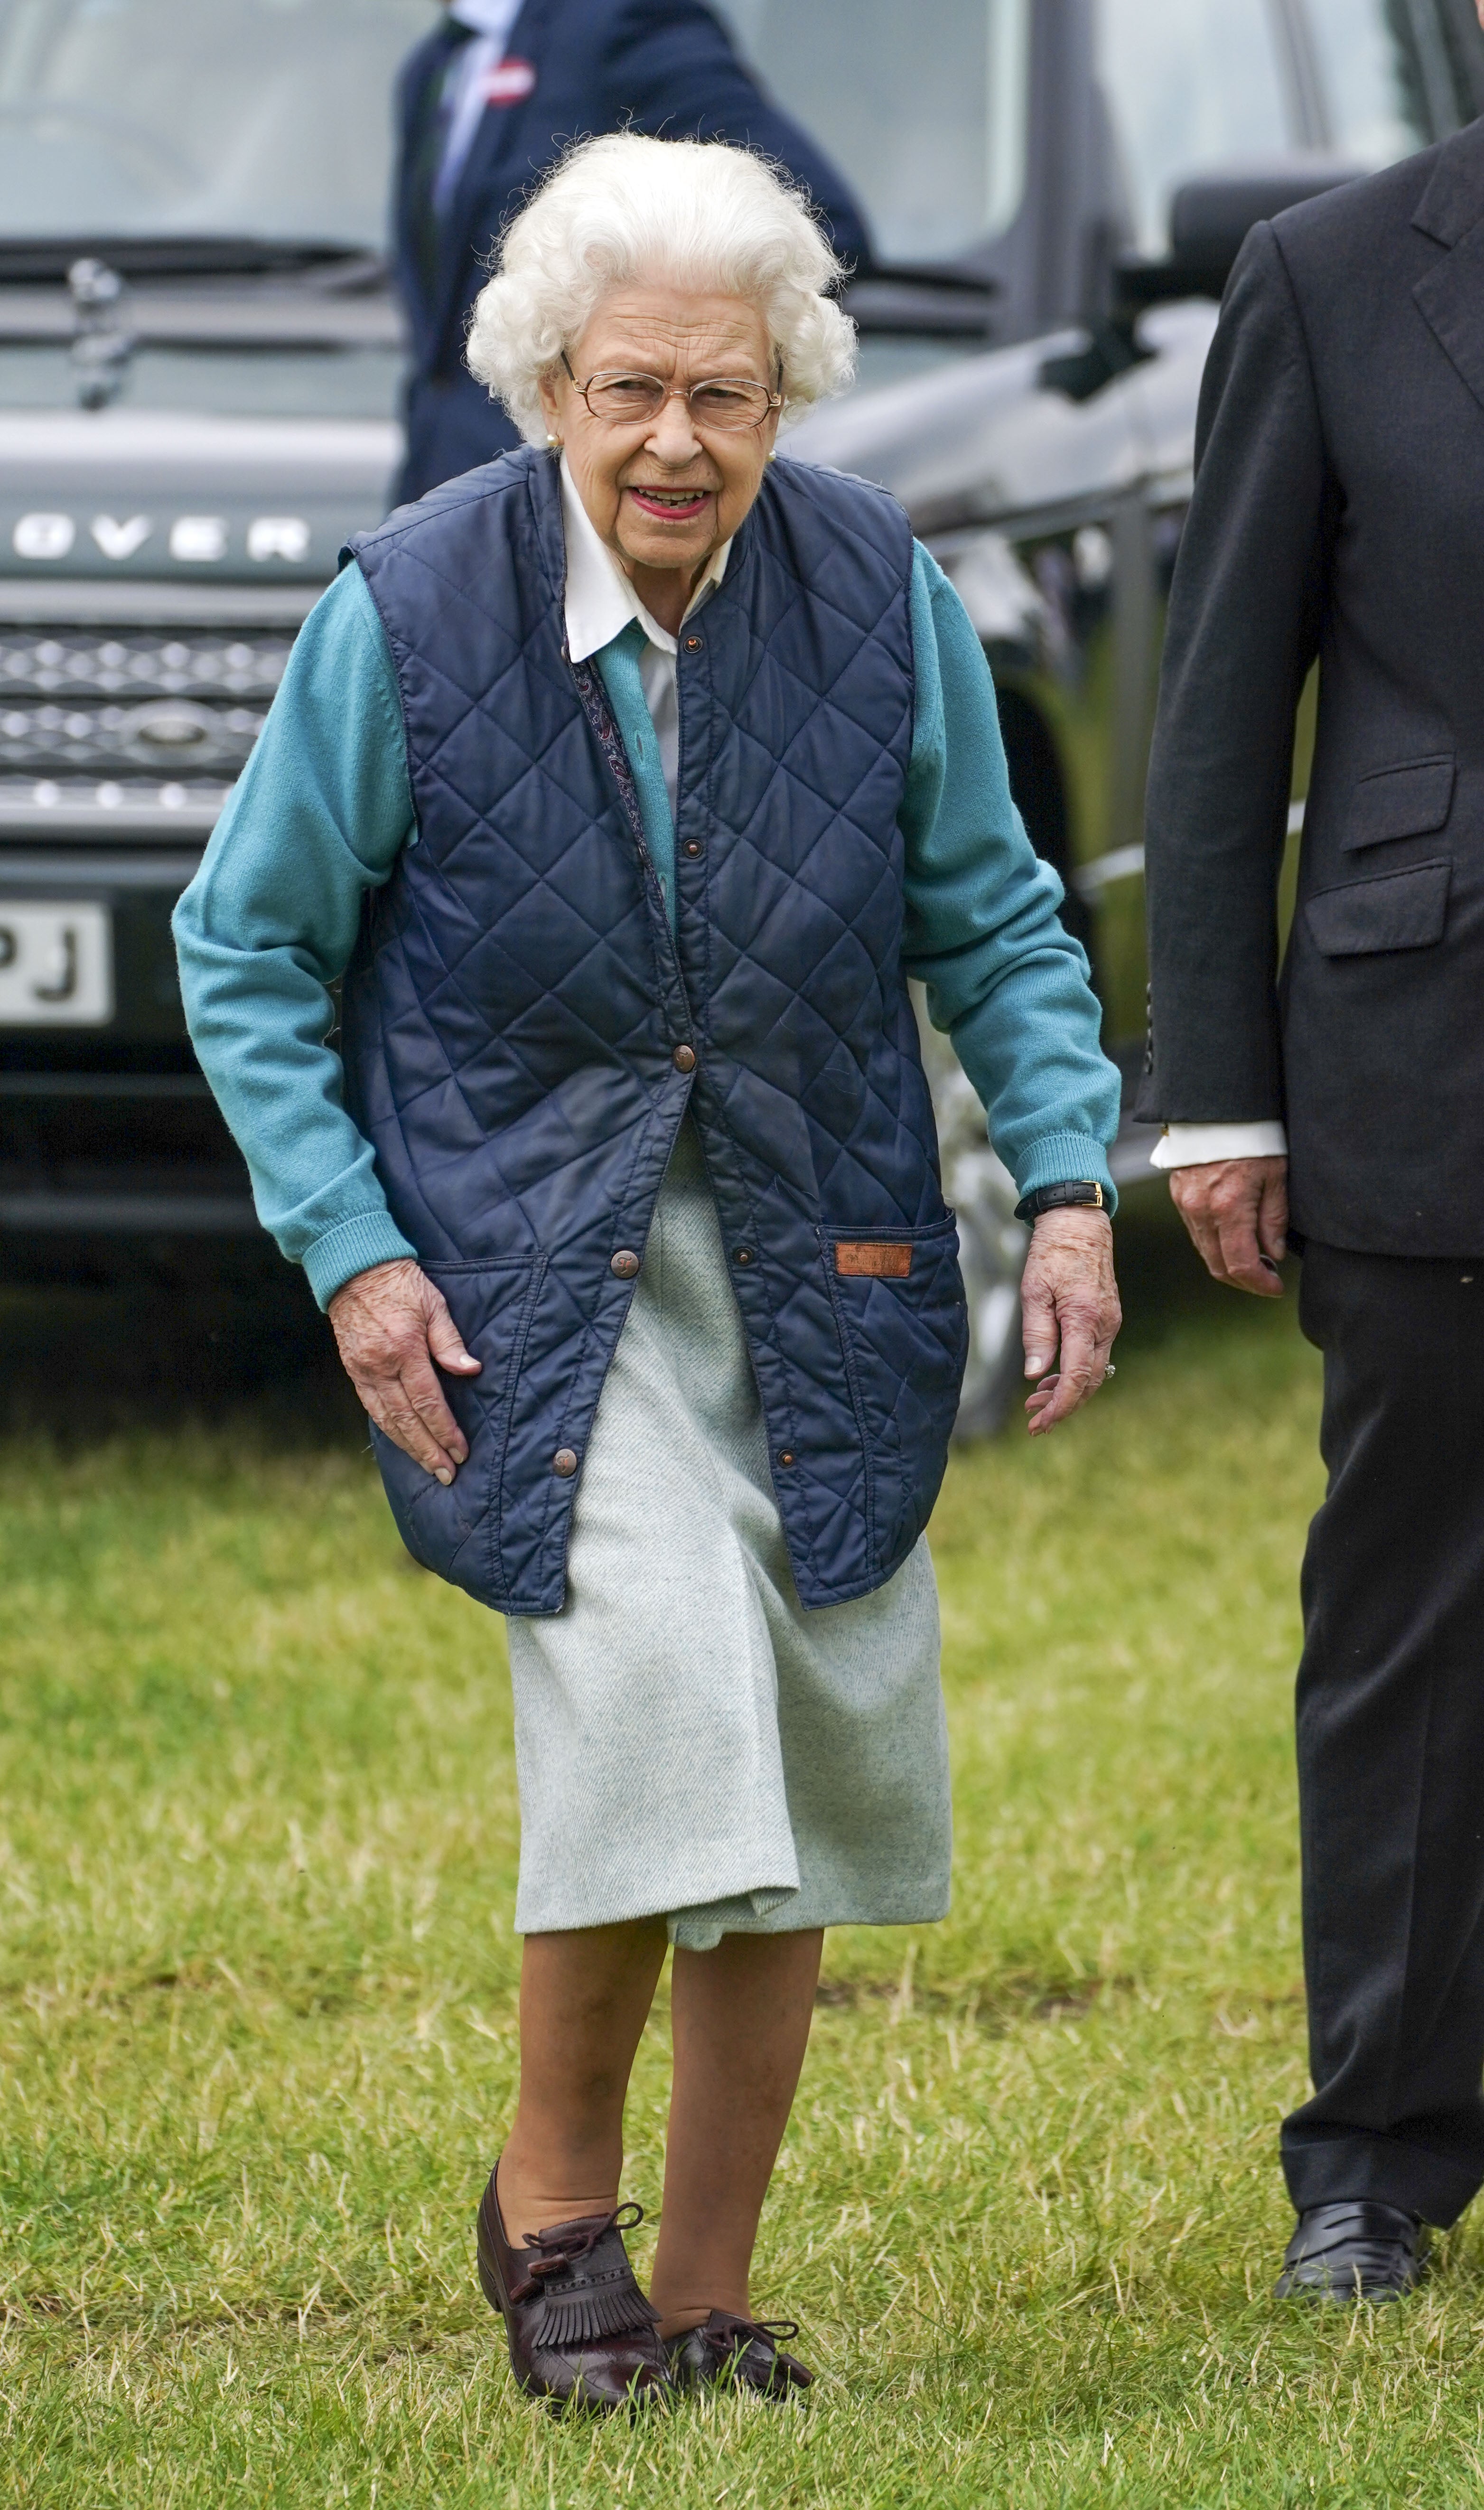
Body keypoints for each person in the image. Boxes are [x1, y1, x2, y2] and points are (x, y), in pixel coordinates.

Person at [176, 131, 1121, 2408]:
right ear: (549, 388)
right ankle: (556, 2227)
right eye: (626, 393)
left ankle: (701, 2298)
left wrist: (1072, 1184)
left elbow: (988, 910)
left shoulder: (880, 588)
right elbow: (246, 947)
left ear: (788, 393)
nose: (673, 442)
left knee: (795, 1771)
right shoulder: (402, 611)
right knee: (660, 1718)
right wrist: (355, 1257)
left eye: (723, 393)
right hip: (527, 1274)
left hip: (829, 1250)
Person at [1138, 43, 1484, 2306]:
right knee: (1412, 1623)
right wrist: (1216, 1089)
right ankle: (1369, 2151)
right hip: (1422, 1051)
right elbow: (1213, 690)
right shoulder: (1332, 271)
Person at [392, 0, 870, 504]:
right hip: (441, 492)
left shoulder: (626, 21)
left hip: (588, 502)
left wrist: (646, 370)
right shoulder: (433, 64)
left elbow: (819, 218)